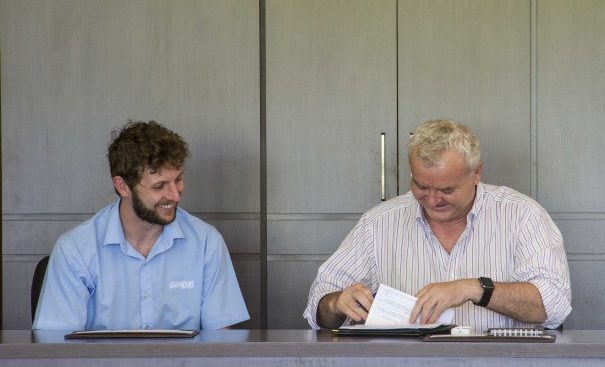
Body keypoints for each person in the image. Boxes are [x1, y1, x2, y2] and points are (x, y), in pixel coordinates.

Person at [304, 119, 571, 331]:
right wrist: (336, 304)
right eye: (421, 186)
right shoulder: (378, 224)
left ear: (476, 173)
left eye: (446, 190)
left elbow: (555, 305)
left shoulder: (523, 216)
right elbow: (318, 306)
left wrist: (475, 289)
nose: (432, 200)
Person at [33, 121, 249, 330]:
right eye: (159, 186)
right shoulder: (75, 249)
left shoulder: (206, 243)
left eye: (178, 179)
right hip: (102, 359)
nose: (175, 195)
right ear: (123, 186)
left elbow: (219, 342)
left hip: (185, 359)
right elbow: (57, 346)